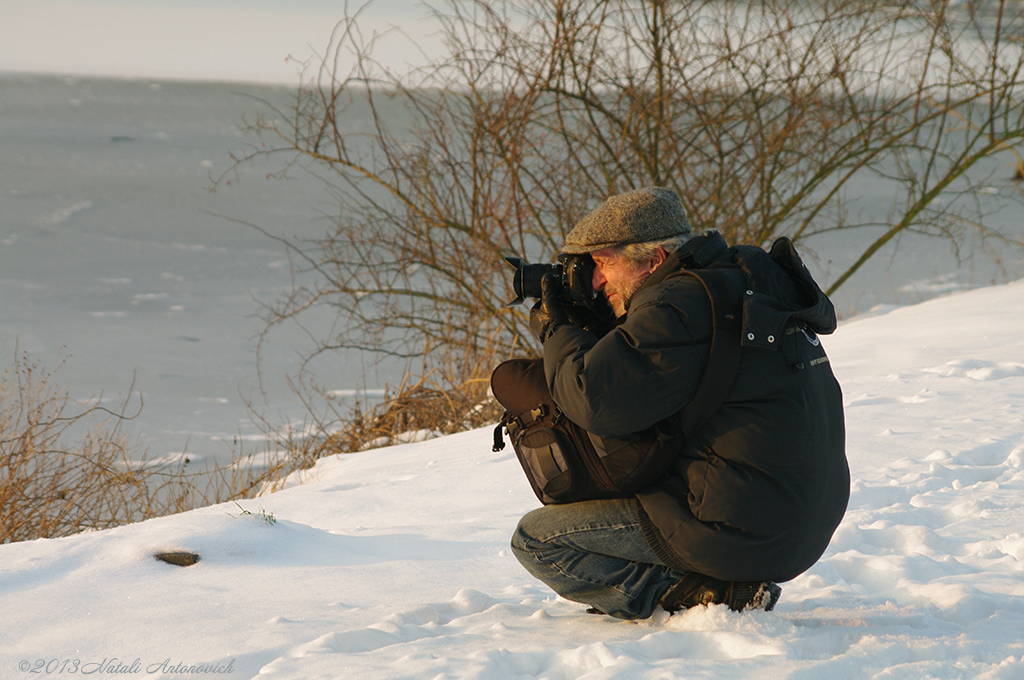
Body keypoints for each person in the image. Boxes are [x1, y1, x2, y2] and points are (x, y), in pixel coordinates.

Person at [510, 186, 849, 619]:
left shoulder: (678, 305)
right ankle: (719, 578)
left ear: (653, 260)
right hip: (801, 520)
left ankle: (700, 594)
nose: (595, 281)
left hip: (740, 529)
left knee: (538, 540)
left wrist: (557, 327)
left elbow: (593, 401)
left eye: (602, 263)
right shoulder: (737, 281)